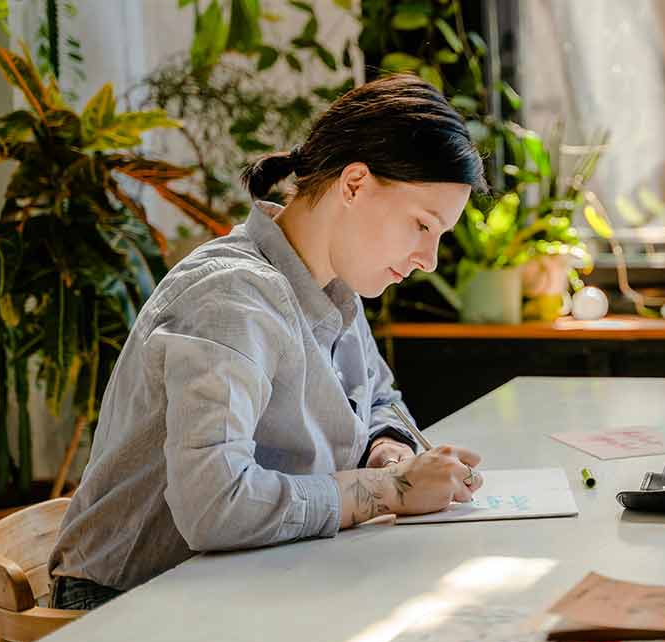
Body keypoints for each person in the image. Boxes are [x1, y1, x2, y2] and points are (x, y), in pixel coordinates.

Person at [48, 74, 489, 610]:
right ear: (354, 184)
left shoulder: (335, 285)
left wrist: (385, 451)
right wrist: (389, 491)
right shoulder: (231, 299)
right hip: (126, 605)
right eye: (422, 225)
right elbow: (215, 502)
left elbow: (377, 397)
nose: (429, 260)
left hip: (240, 583)